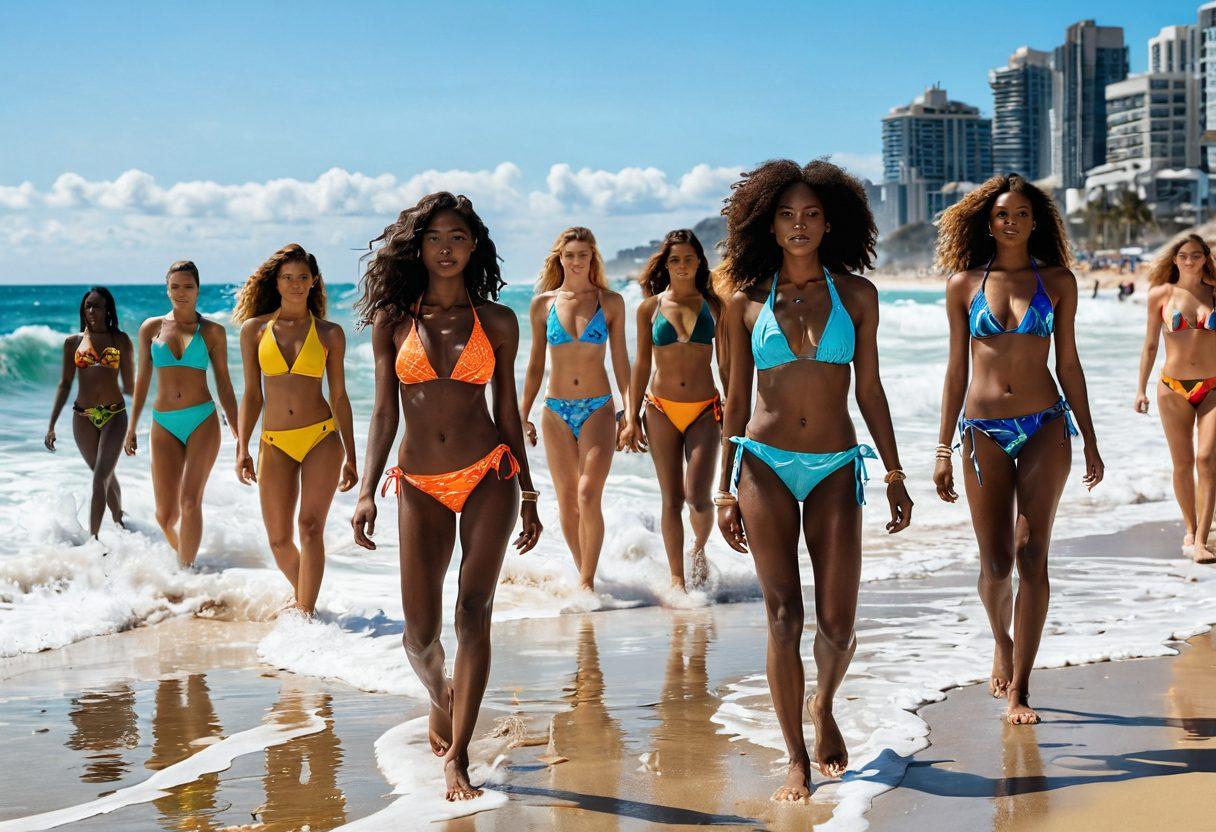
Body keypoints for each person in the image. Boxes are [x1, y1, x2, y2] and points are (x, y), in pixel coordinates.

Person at [715, 159, 912, 801]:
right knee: (782, 616)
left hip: (835, 465)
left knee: (837, 622)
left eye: (811, 214)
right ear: (767, 226)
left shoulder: (857, 296)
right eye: (786, 215)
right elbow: (735, 400)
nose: (799, 225)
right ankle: (795, 756)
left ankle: (822, 703)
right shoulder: (744, 302)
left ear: (830, 222)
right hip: (765, 465)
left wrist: (894, 471)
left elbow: (871, 389)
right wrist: (725, 488)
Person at [351, 192, 542, 802]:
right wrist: (365, 492)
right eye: (436, 237)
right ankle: (442, 696)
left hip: (490, 471)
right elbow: (384, 411)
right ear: (419, 246)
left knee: (473, 610)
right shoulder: (394, 322)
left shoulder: (499, 321)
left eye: (459, 237)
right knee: (420, 632)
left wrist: (531, 490)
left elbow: (507, 409)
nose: (447, 248)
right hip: (418, 483)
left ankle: (458, 756)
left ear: (475, 246)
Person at [933, 174, 1104, 726]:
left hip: (1046, 426)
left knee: (1033, 556)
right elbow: (957, 369)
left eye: (1024, 214)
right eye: (1004, 214)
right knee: (996, 563)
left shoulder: (1058, 281)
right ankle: (1001, 641)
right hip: (981, 430)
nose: (1013, 221)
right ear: (989, 221)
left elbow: (1068, 364)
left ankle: (1021, 689)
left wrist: (1091, 437)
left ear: (1037, 221)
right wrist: (941, 447)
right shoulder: (963, 284)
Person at [233, 244, 357, 615]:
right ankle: (309, 603)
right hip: (274, 441)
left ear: (314, 282)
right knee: (279, 540)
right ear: (277, 281)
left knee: (310, 527)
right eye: (288, 277)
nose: (296, 284)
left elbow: (339, 397)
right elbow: (252, 394)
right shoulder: (254, 331)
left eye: (303, 277)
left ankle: (305, 614)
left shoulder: (329, 333)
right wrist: (242, 446)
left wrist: (351, 455)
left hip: (321, 436)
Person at [520, 227, 631, 591]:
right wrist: (522, 414)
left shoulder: (610, 302)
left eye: (584, 254)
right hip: (554, 410)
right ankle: (587, 576)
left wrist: (630, 410)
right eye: (570, 255)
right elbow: (536, 366)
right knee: (567, 500)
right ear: (560, 258)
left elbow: (621, 363)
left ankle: (585, 583)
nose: (577, 260)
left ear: (592, 258)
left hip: (599, 406)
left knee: (587, 493)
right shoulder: (544, 304)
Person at [620, 229, 725, 590]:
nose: (682, 266)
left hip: (705, 409)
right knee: (672, 498)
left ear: (699, 262)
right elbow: (640, 366)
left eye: (689, 259)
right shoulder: (649, 308)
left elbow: (726, 364)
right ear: (666, 264)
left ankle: (698, 550)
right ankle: (677, 579)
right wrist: (630, 416)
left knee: (698, 496)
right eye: (675, 260)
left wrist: (734, 407)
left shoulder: (715, 306)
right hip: (660, 409)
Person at [125, 261, 239, 567]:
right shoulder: (151, 328)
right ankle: (187, 560)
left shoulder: (212, 331)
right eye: (175, 286)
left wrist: (240, 436)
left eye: (188, 286)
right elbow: (141, 381)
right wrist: (131, 427)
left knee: (190, 501)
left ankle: (186, 575)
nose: (181, 292)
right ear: (167, 289)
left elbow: (225, 385)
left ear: (198, 289)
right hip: (163, 423)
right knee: (164, 516)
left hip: (202, 419)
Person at [1135, 234, 1216, 563]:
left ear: (1205, 258)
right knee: (1182, 464)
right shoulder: (1160, 295)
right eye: (1183, 256)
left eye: (1196, 256)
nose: (1189, 261)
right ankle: (1189, 526)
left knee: (1207, 460)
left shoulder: (1214, 292)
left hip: (1212, 386)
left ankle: (1200, 540)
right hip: (1172, 387)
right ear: (1174, 259)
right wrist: (1140, 388)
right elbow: (1151, 345)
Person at [46, 287, 134, 542]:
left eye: (97, 306)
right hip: (82, 418)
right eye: (88, 306)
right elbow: (64, 384)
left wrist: (135, 426)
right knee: (104, 474)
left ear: (108, 310)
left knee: (100, 478)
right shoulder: (72, 343)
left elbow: (131, 386)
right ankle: (120, 522)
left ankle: (93, 542)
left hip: (115, 416)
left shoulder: (120, 340)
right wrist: (51, 425)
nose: (92, 311)